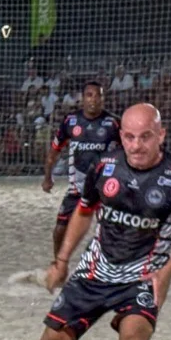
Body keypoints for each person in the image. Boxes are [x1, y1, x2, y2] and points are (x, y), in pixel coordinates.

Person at [39, 103, 171, 340]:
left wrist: (166, 272)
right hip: (96, 269)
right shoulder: (104, 167)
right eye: (129, 137)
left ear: (161, 135)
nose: (136, 145)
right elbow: (84, 211)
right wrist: (61, 261)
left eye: (145, 137)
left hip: (144, 276)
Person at [41, 81, 120, 260]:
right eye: (89, 95)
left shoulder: (113, 123)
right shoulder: (71, 121)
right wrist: (48, 177)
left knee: (113, 230)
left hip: (105, 189)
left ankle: (114, 265)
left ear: (103, 99)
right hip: (77, 189)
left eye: (98, 95)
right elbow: (54, 151)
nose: (94, 99)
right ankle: (58, 262)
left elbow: (129, 152)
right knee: (60, 229)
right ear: (82, 99)